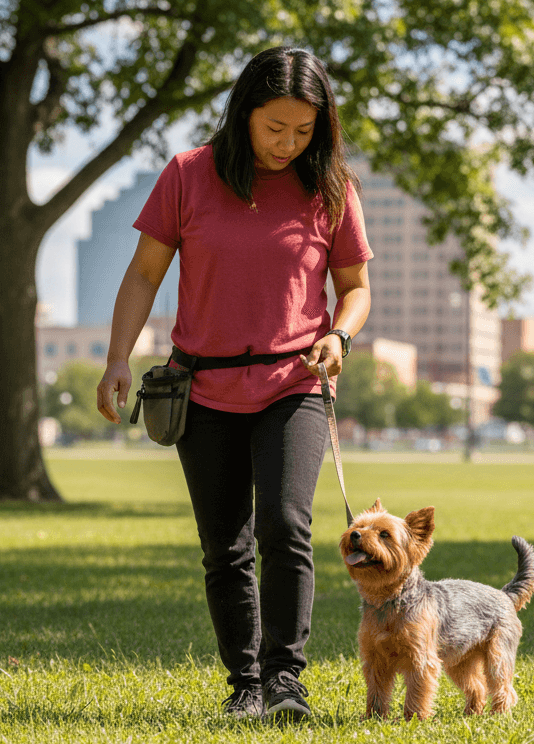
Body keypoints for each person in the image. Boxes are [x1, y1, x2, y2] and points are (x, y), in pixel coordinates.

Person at [95, 46, 372, 720]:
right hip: (203, 389)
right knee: (225, 546)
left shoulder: (330, 187)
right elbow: (142, 274)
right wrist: (117, 358)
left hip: (292, 384)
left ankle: (286, 681)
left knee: (285, 524)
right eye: (275, 127)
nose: (288, 144)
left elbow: (356, 287)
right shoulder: (190, 175)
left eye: (304, 131)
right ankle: (245, 685)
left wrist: (339, 334)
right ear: (244, 112)